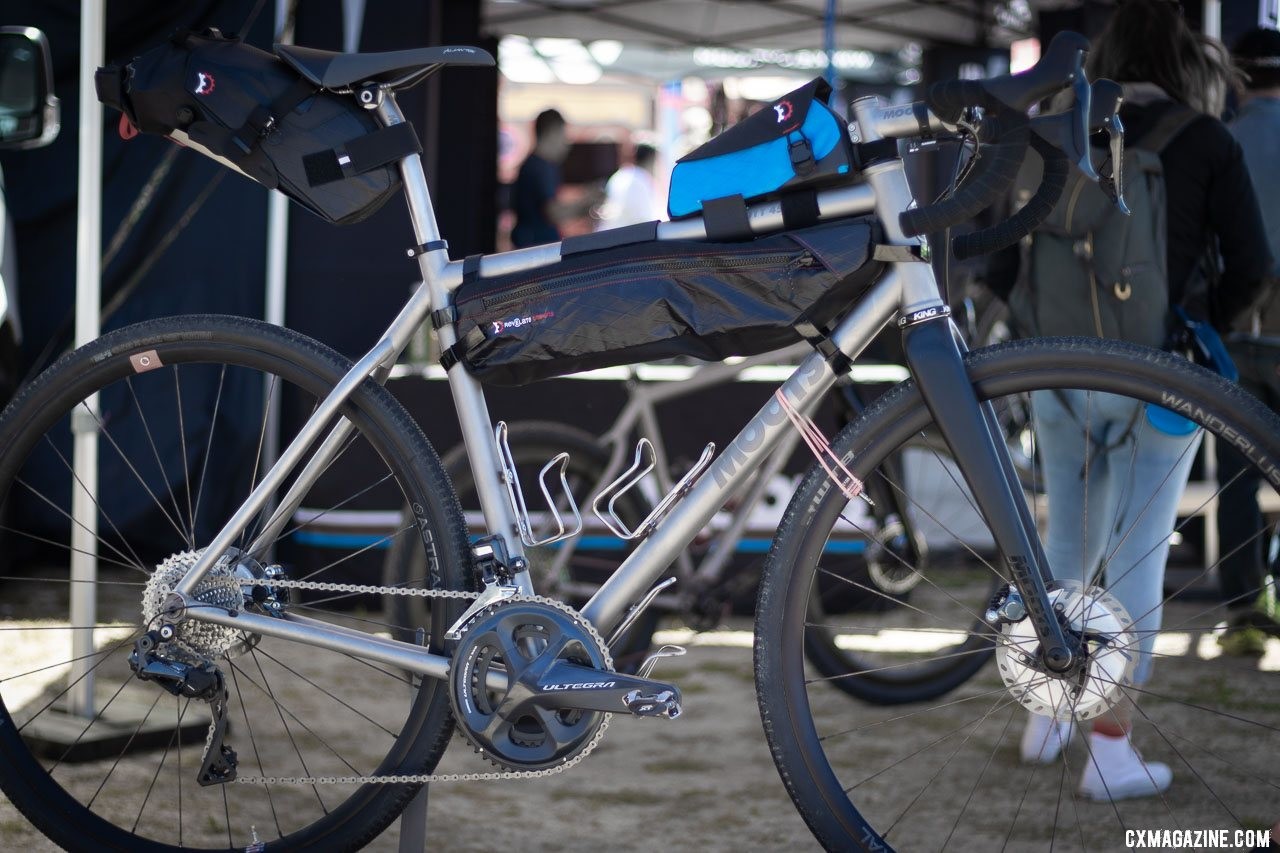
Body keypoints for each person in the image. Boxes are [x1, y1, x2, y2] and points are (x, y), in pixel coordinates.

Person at [1007, 0, 1272, 801]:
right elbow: (1254, 264)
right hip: (1159, 376)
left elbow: (995, 264)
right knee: (1137, 560)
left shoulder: (1055, 132)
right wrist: (1200, 326)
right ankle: (1110, 751)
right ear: (1188, 56)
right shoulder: (1205, 137)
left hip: (1056, 370)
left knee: (1066, 547)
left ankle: (1047, 712)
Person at [1214, 27, 1280, 657]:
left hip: (1234, 330)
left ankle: (1244, 612)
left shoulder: (1224, 143)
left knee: (1237, 475)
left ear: (1234, 77)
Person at [510, 108, 571, 248]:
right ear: (552, 132)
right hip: (535, 251)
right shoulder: (540, 167)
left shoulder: (534, 165)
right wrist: (586, 203)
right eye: (563, 134)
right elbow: (553, 213)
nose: (566, 143)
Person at [593, 143, 659, 230]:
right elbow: (643, 216)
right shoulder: (640, 178)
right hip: (625, 234)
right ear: (650, 159)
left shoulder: (620, 174)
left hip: (610, 232)